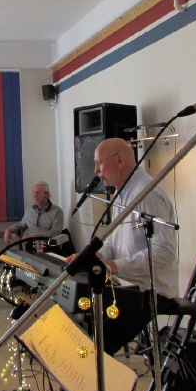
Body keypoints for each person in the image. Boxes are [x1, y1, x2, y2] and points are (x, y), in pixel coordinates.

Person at [69, 138, 178, 355]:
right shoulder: (123, 192)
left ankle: (94, 372)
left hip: (148, 291)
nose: (96, 171)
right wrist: (94, 257)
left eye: (99, 163)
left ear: (119, 160)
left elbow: (165, 252)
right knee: (82, 323)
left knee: (97, 344)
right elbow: (113, 241)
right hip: (126, 285)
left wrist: (116, 266)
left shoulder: (146, 193)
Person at [3, 181, 65, 246]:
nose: (34, 195)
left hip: (49, 246)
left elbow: (55, 232)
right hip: (31, 246)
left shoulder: (57, 211)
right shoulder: (29, 210)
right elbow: (21, 225)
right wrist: (9, 230)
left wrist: (35, 236)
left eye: (38, 192)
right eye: (33, 192)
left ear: (46, 194)